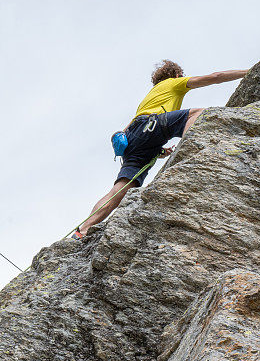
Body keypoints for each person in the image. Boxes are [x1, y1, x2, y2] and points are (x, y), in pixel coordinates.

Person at [74, 59, 248, 238]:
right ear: (177, 75)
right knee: (198, 113)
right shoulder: (174, 82)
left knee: (118, 191)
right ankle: (187, 148)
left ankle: (83, 229)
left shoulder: (150, 95)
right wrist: (247, 72)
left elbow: (135, 130)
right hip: (150, 126)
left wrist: (158, 150)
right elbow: (215, 77)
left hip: (133, 140)